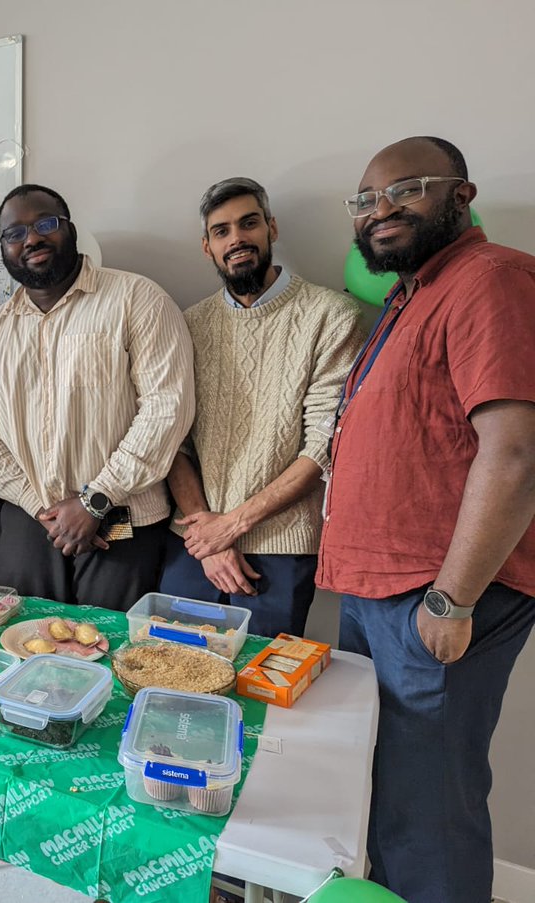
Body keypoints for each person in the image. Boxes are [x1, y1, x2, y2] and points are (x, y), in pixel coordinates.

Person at [320, 136, 535, 903]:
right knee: (384, 792)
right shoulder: (410, 297)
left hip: (434, 599)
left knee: (429, 812)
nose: (379, 210)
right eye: (365, 199)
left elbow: (515, 454)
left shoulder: (491, 279)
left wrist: (455, 598)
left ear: (460, 195)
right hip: (380, 592)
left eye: (403, 190)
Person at [0, 184, 194, 609]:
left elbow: (167, 410)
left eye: (45, 224)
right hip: (29, 522)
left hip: (121, 520)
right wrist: (42, 509)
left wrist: (95, 500)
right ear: (3, 249)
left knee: (112, 655)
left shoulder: (137, 300)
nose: (30, 239)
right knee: (18, 651)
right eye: (14, 234)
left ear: (70, 230)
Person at [159, 177, 363, 637]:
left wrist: (231, 527)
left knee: (259, 691)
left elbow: (324, 447)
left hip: (280, 543)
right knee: (172, 671)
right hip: (193, 541)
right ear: (207, 247)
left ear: (271, 228)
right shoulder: (187, 324)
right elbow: (173, 442)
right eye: (222, 231)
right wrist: (209, 540)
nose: (237, 239)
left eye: (249, 223)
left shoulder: (330, 316)